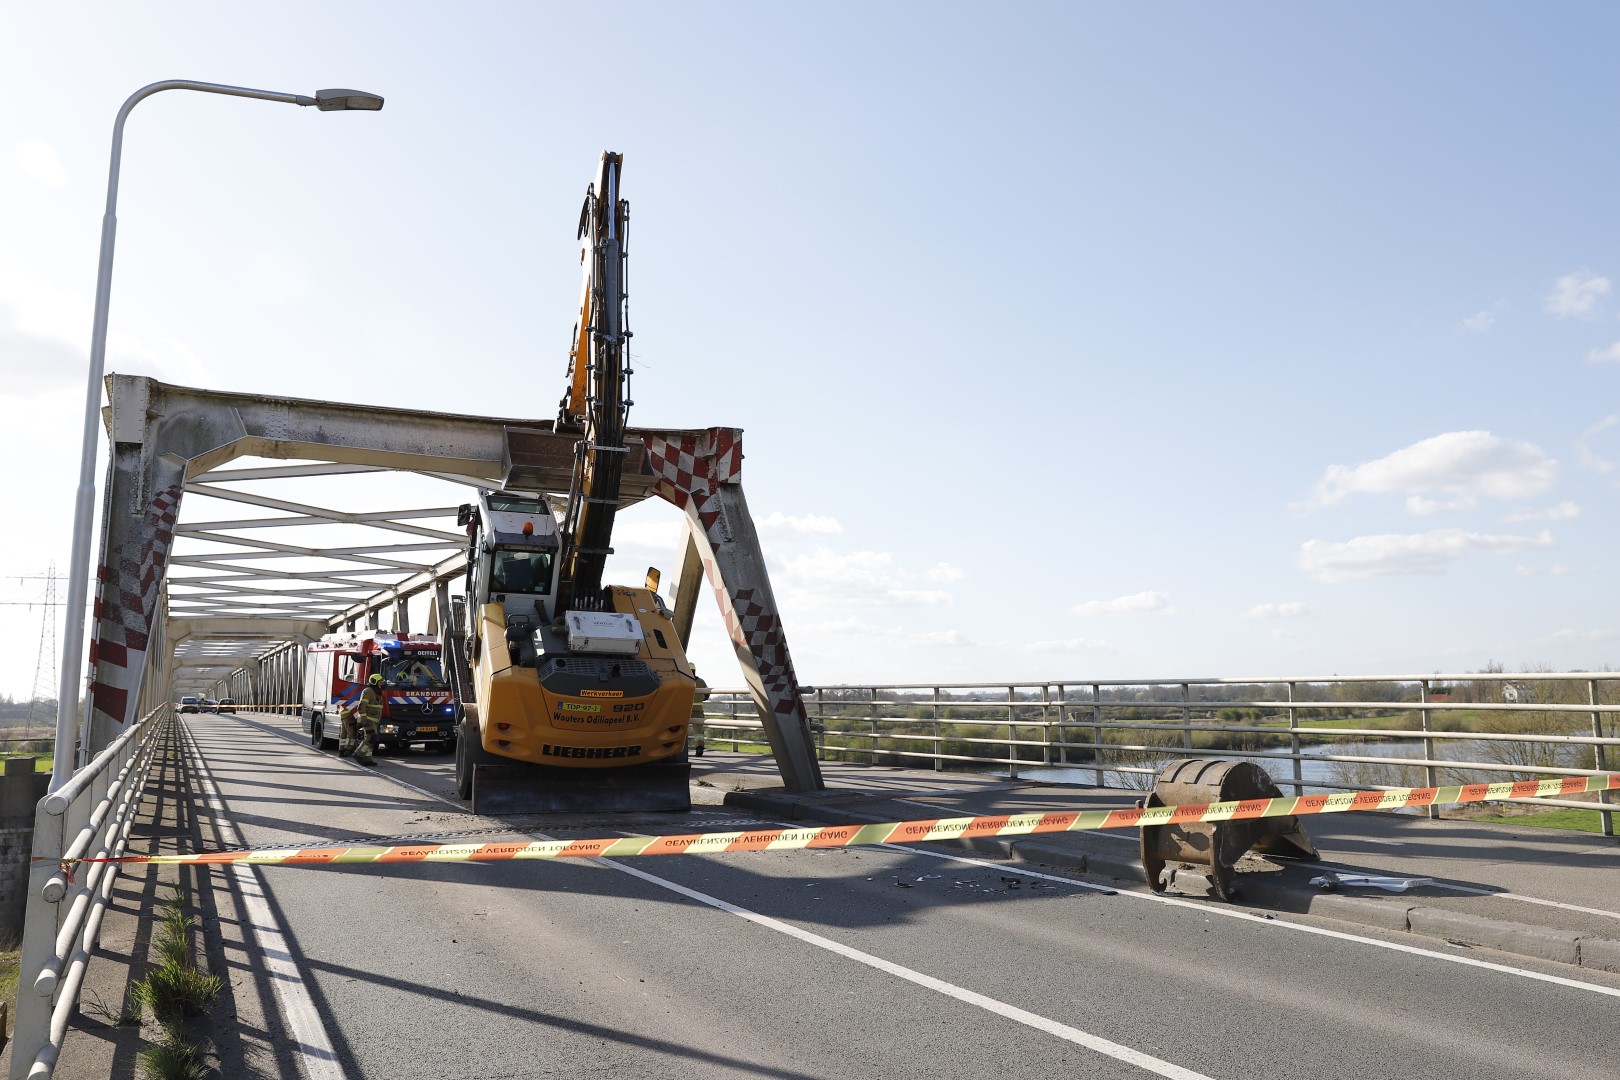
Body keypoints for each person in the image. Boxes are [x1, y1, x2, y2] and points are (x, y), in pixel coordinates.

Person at [341, 673, 383, 764]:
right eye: (380, 681)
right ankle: (358, 754)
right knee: (372, 737)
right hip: (368, 720)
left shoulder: (377, 692)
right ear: (375, 682)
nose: (381, 683)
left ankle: (368, 759)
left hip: (374, 721)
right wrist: (364, 719)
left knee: (370, 739)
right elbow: (361, 706)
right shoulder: (368, 691)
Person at [690, 667, 709, 757]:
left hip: (684, 709)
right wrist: (701, 698)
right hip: (698, 709)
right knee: (698, 730)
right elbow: (707, 694)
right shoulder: (701, 681)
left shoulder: (684, 681)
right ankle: (699, 747)